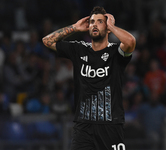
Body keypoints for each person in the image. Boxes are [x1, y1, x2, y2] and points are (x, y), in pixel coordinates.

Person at [42, 6, 136, 150]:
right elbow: (47, 41)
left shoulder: (116, 52)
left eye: (100, 22)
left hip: (110, 125)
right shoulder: (79, 49)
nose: (94, 25)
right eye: (92, 22)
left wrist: (112, 26)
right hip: (83, 126)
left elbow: (130, 42)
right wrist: (74, 27)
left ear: (107, 28)